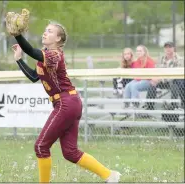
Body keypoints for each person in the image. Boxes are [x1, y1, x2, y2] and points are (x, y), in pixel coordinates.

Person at [11, 21, 120, 183]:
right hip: (69, 102)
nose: (44, 33)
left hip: (66, 102)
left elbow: (32, 51)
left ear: (58, 38)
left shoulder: (55, 54)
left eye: (49, 31)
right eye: (45, 30)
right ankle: (109, 175)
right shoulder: (46, 56)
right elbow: (34, 77)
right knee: (70, 152)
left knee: (41, 146)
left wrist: (17, 35)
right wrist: (19, 60)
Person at [145, 41, 184, 110]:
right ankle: (149, 106)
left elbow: (175, 75)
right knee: (152, 84)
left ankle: (174, 106)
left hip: (173, 81)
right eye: (166, 47)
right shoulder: (161, 58)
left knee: (176, 83)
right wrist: (155, 78)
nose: (168, 49)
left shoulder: (180, 59)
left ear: (174, 48)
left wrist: (160, 79)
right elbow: (156, 70)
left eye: (170, 47)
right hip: (162, 81)